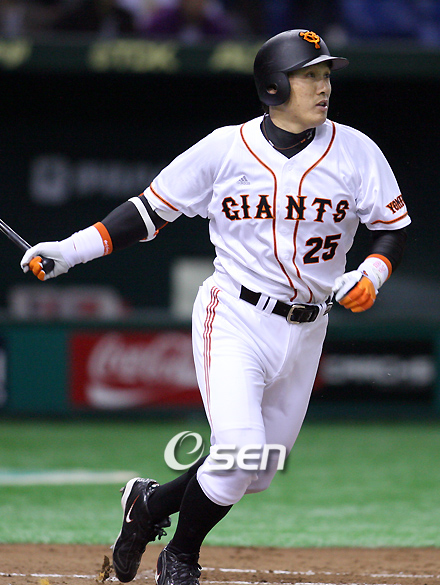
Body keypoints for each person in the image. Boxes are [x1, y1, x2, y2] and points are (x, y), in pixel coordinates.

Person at [21, 29, 410, 585]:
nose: (323, 86)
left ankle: (149, 505)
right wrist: (69, 250)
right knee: (240, 453)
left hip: (308, 327)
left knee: (257, 470)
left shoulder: (356, 150)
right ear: (274, 86)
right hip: (235, 315)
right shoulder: (226, 147)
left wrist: (373, 272)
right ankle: (180, 556)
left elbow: (393, 227)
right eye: (309, 76)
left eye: (326, 75)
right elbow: (148, 212)